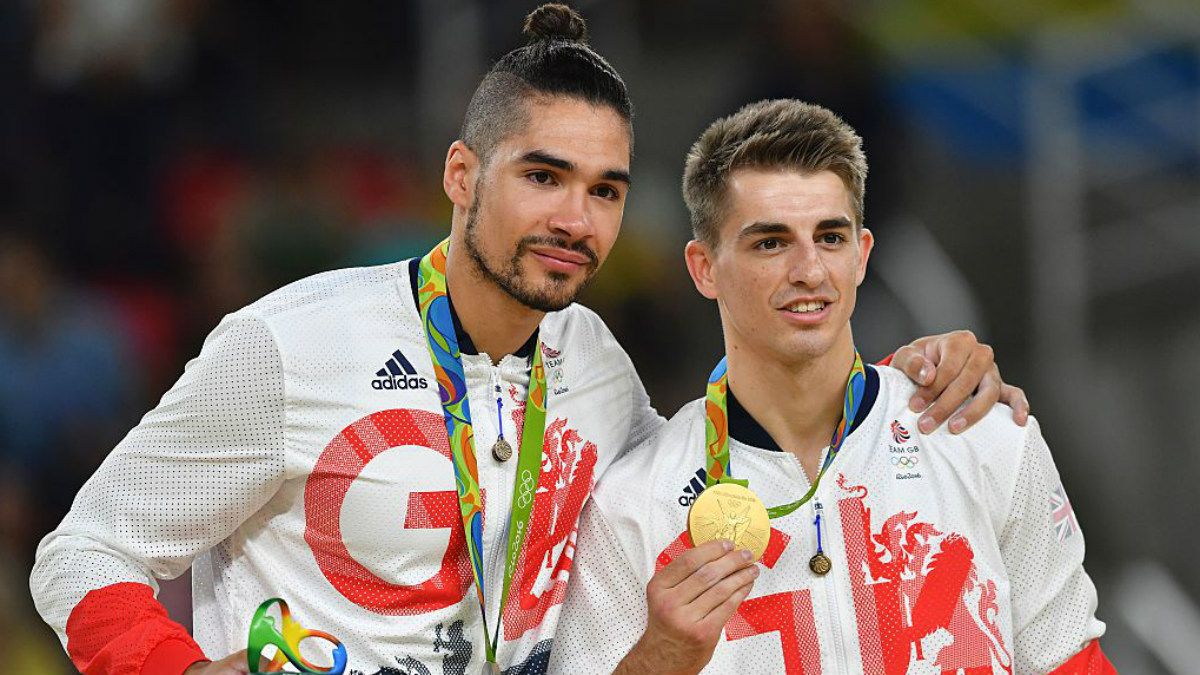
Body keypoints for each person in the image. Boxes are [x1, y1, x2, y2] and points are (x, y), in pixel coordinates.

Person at [30, 8, 1026, 675]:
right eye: (542, 177)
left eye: (604, 191)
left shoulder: (594, 367)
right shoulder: (293, 345)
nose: (575, 219)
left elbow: (740, 455)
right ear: (463, 175)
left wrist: (915, 386)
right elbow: (82, 553)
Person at [549, 100, 1112, 674]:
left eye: (830, 237)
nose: (810, 271)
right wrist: (655, 661)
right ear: (704, 268)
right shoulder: (633, 507)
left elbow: (1074, 663)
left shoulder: (984, 438)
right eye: (770, 242)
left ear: (862, 255)